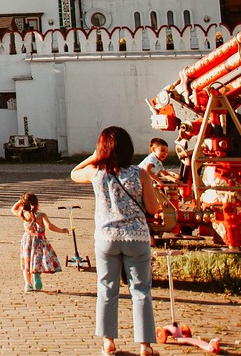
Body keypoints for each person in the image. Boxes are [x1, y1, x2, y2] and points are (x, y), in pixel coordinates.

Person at [71, 126, 160, 356]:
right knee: (140, 290)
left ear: (102, 150)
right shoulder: (140, 174)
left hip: (106, 237)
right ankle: (145, 346)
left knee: (107, 289)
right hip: (137, 238)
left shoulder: (96, 173)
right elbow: (152, 208)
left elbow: (73, 173)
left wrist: (94, 156)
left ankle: (109, 342)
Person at [11, 192, 68, 291]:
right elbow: (50, 226)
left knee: (27, 261)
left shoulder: (24, 214)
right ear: (37, 203)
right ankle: (36, 274)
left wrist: (22, 201)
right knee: (37, 260)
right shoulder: (41, 215)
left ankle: (28, 284)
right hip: (39, 240)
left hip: (27, 240)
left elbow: (13, 209)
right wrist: (62, 230)